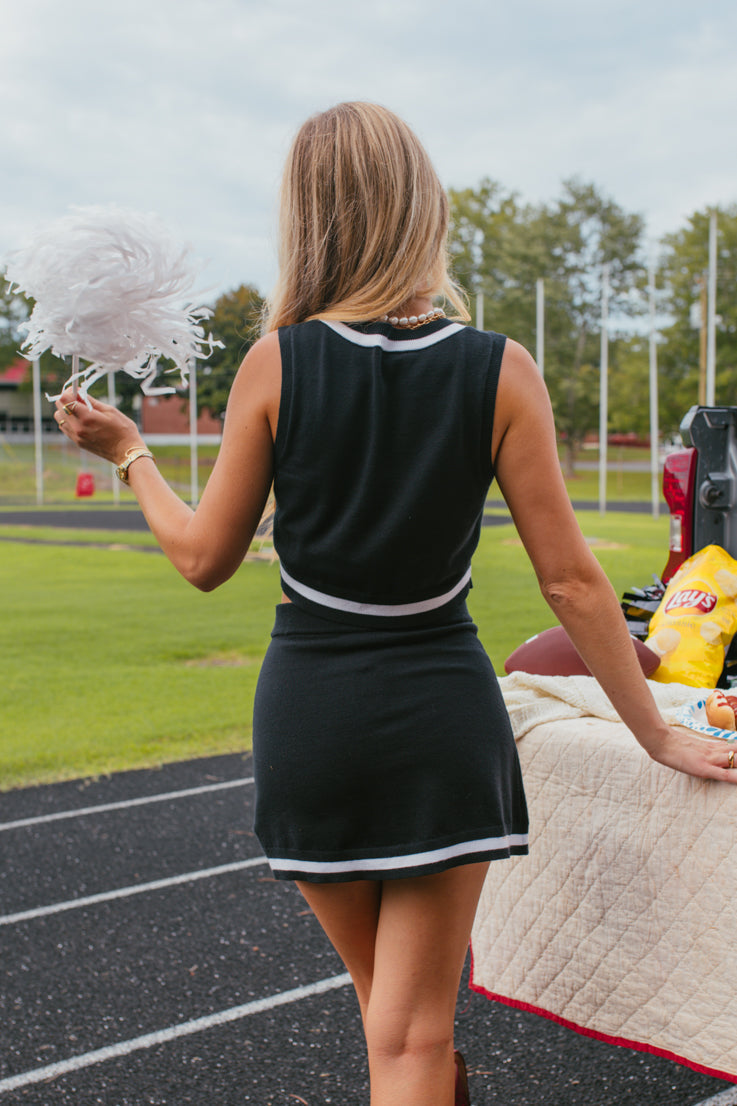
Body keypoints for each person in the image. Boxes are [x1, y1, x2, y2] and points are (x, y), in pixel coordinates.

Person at [53, 102, 737, 1106]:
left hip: (309, 723)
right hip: (439, 722)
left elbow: (203, 557)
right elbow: (572, 580)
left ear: (305, 216)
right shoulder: (497, 365)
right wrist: (655, 737)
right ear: (423, 209)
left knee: (392, 1018)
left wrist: (133, 456)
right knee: (410, 1034)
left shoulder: (274, 360)